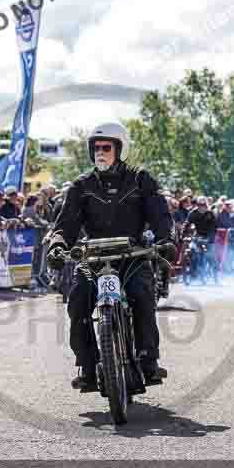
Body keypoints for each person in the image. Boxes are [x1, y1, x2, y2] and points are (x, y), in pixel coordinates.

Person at [46, 122, 175, 391]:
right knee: (78, 302)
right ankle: (88, 365)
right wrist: (57, 245)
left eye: (106, 147)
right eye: (95, 148)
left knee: (142, 298)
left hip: (133, 254)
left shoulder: (141, 179)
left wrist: (166, 240)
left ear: (120, 148)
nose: (100, 153)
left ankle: (148, 360)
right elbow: (65, 223)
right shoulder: (82, 185)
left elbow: (160, 215)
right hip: (93, 257)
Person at [185, 195, 217, 278]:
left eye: (203, 205)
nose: (201, 207)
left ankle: (214, 272)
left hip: (208, 236)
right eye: (199, 205)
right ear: (197, 204)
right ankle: (192, 270)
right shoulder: (192, 213)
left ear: (206, 205)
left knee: (210, 255)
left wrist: (211, 238)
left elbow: (214, 228)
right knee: (191, 251)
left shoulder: (210, 214)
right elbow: (187, 224)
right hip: (197, 235)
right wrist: (184, 235)